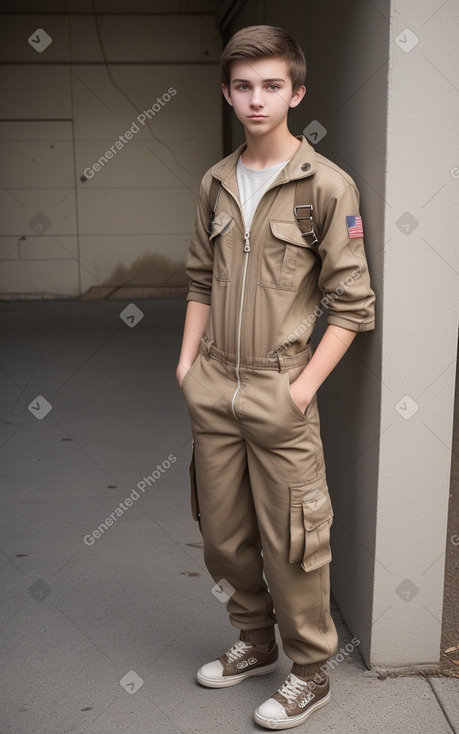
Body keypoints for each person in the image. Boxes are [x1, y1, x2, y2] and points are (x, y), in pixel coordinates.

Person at [176, 24, 375, 730]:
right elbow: (199, 279)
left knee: (293, 541)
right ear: (227, 93)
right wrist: (185, 363)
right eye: (242, 87)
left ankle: (311, 673)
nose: (255, 99)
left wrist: (299, 388)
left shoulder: (325, 186)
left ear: (295, 92)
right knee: (223, 534)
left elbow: (352, 307)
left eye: (270, 86)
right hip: (213, 387)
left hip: (277, 388)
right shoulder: (215, 182)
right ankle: (254, 643)